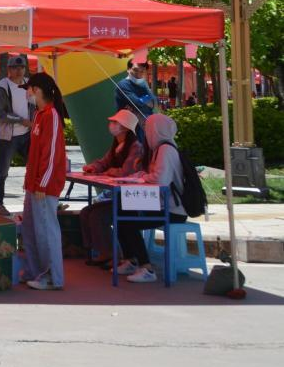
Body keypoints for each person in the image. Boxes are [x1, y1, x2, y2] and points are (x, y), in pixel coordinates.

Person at [116, 114, 189, 284]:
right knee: (122, 212)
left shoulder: (165, 150)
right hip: (163, 205)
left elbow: (160, 179)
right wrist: (142, 174)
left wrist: (143, 178)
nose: (146, 133)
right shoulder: (160, 149)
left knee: (127, 221)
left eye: (148, 129)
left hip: (172, 210)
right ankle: (131, 260)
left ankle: (146, 267)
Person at [19, 72, 68, 291]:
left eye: (28, 89)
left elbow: (51, 154)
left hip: (44, 186)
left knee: (46, 231)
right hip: (35, 184)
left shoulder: (51, 115)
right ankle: (35, 270)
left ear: (36, 90)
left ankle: (52, 277)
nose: (27, 93)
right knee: (31, 230)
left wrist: (42, 184)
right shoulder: (39, 115)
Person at [78, 109, 143, 267]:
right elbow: (104, 162)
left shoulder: (136, 147)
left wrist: (110, 171)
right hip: (119, 198)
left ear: (125, 127)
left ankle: (112, 254)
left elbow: (126, 172)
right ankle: (98, 251)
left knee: (97, 215)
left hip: (131, 201)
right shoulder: (117, 146)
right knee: (86, 212)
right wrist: (93, 167)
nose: (111, 125)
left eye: (115, 122)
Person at [0, 55, 32, 215]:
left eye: (22, 67)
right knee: (3, 171)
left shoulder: (29, 84)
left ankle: (34, 201)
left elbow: (34, 106)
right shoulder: (2, 86)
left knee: (35, 167)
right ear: (9, 69)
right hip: (8, 136)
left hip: (27, 134)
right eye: (15, 67)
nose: (19, 70)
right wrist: (21, 120)